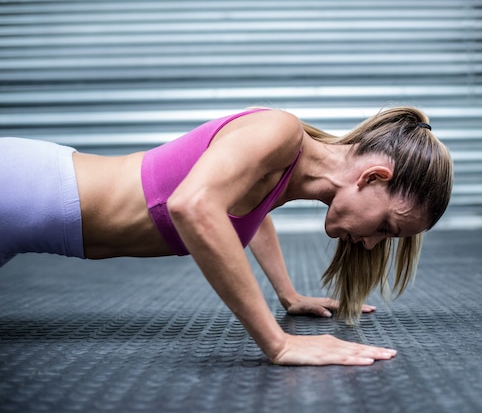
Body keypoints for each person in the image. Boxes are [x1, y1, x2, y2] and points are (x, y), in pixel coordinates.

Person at [0, 107, 453, 366]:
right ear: (374, 176)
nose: (372, 243)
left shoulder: (288, 172)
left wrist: (288, 294)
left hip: (22, 225)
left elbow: (248, 212)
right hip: (23, 187)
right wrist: (279, 342)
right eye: (386, 229)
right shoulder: (280, 131)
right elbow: (192, 205)